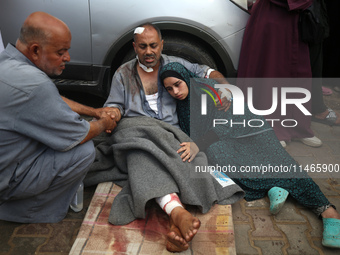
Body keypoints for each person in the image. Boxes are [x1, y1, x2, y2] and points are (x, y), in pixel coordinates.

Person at [160, 61, 340, 249]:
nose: (175, 92)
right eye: (169, 89)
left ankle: (328, 212)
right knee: (215, 155)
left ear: (185, 77)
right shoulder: (182, 104)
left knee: (281, 165)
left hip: (252, 134)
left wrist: (198, 144)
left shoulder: (211, 90)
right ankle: (275, 186)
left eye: (177, 84)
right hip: (225, 142)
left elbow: (228, 123)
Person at [102, 22, 243, 252]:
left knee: (181, 160)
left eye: (153, 46)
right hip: (136, 131)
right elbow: (114, 106)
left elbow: (207, 72)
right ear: (135, 47)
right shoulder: (123, 73)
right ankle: (178, 216)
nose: (149, 51)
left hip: (170, 135)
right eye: (143, 46)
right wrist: (113, 115)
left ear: (162, 45)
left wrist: (225, 88)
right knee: (141, 154)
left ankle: (176, 219)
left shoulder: (176, 66)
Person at [0, 12, 117, 224]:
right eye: (61, 52)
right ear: (35, 50)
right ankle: (27, 211)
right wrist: (103, 123)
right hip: (6, 180)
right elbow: (79, 135)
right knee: (83, 151)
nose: (68, 58)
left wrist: (95, 111)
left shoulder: (7, 60)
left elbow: (53, 99)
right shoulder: (35, 85)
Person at [237, 0, 322, 148]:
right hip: (271, 16)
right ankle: (272, 128)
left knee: (299, 74)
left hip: (297, 19)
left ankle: (298, 128)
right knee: (271, 73)